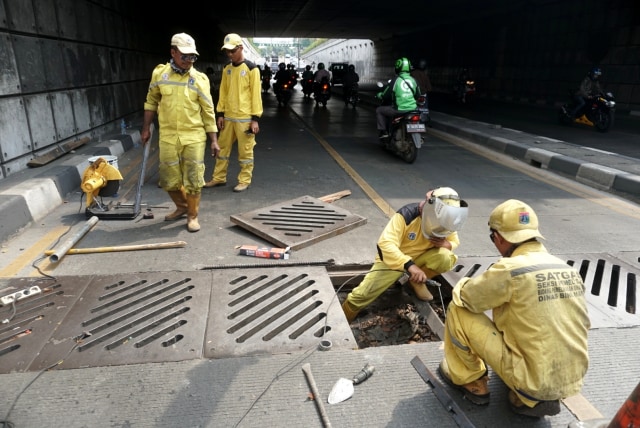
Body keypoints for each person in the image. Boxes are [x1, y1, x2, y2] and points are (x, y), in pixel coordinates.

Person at [439, 199, 590, 418]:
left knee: (458, 309)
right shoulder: (567, 269)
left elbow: (469, 298)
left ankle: (472, 380)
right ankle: (526, 397)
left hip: (532, 380)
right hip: (572, 378)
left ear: (499, 237)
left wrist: (464, 284)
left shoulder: (511, 269)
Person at [341, 187, 468, 322]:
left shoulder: (446, 219)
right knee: (360, 296)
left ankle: (416, 281)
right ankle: (342, 320)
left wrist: (447, 245)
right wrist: (409, 265)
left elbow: (454, 241)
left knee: (446, 257)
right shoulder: (406, 215)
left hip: (421, 259)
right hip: (396, 260)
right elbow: (385, 244)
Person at [141, 33, 220, 233]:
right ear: (173, 52)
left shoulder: (199, 79)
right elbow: (151, 101)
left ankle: (192, 216)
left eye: (192, 57)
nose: (189, 61)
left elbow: (208, 111)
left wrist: (214, 140)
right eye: (185, 56)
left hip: (194, 136)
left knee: (194, 179)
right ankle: (182, 206)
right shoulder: (160, 74)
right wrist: (145, 128)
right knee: (168, 179)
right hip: (168, 135)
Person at [204, 33, 263, 193]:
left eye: (232, 51)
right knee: (221, 149)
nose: (230, 54)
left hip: (244, 118)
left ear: (241, 48)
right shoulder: (227, 69)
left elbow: (256, 94)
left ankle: (244, 180)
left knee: (245, 152)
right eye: (227, 52)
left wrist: (255, 118)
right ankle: (219, 177)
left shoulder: (252, 69)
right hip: (228, 117)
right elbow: (223, 92)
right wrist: (220, 114)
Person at [375, 57, 419, 139]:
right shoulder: (414, 80)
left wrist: (380, 95)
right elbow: (418, 95)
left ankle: (384, 132)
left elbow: (386, 94)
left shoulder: (395, 80)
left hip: (399, 109)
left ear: (397, 68)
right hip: (413, 109)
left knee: (379, 110)